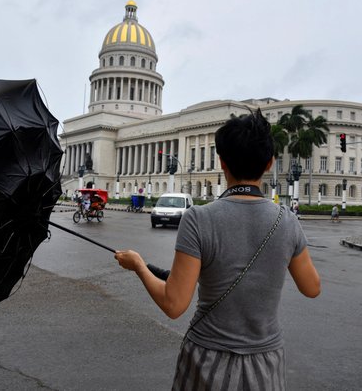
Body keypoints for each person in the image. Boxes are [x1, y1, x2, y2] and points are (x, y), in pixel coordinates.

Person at [115, 109, 320, 390]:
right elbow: (312, 288)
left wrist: (138, 265)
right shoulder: (287, 220)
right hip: (265, 362)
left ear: (222, 162)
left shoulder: (199, 219)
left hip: (206, 360)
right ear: (270, 163)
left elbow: (174, 304)